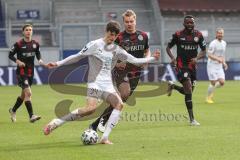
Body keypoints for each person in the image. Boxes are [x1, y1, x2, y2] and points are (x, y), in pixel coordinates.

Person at [43, 20, 160, 144]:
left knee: (119, 105)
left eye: (115, 36)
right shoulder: (94, 44)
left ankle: (105, 138)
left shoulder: (116, 49)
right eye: (110, 34)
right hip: (95, 83)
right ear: (106, 32)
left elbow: (134, 60)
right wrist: (57, 63)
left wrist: (153, 58)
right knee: (90, 109)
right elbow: (77, 56)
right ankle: (55, 123)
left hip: (107, 85)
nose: (112, 38)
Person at [89, 9, 153, 132]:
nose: (129, 24)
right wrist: (117, 63)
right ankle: (101, 121)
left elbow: (147, 50)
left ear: (135, 20)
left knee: (122, 99)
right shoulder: (119, 37)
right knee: (124, 94)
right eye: (127, 22)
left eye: (131, 21)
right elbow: (108, 52)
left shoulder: (143, 36)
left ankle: (100, 121)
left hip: (136, 72)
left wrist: (147, 59)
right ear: (124, 22)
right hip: (121, 71)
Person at [166, 15, 206, 126]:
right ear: (184, 24)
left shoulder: (199, 35)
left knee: (187, 92)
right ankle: (192, 119)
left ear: (194, 24)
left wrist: (197, 58)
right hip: (181, 66)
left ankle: (172, 86)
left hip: (192, 67)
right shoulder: (178, 35)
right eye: (187, 23)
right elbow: (168, 47)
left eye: (191, 23)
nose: (189, 24)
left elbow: (204, 51)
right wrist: (173, 58)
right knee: (188, 88)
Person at [8, 24, 46, 123]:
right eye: (27, 30)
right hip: (21, 72)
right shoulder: (18, 44)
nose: (28, 31)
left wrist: (40, 60)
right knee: (28, 93)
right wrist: (18, 62)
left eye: (30, 30)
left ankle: (13, 110)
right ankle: (31, 116)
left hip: (30, 72)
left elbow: (38, 53)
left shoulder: (35, 44)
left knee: (24, 96)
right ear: (23, 32)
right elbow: (10, 55)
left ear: (32, 32)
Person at [206, 28, 227, 104]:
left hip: (219, 66)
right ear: (216, 34)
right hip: (211, 65)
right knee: (213, 82)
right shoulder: (213, 43)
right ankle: (208, 98)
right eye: (219, 33)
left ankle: (212, 89)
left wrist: (224, 63)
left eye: (221, 33)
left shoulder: (224, 43)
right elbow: (209, 55)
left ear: (223, 34)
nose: (220, 34)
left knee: (222, 82)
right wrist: (217, 58)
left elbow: (222, 55)